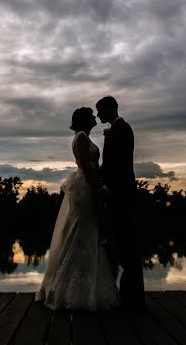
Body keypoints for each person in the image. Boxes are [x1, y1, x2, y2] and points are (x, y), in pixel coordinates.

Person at [35, 107, 119, 310]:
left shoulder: (83, 137)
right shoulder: (81, 138)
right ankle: (67, 290)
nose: (94, 117)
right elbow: (86, 165)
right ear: (84, 120)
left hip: (87, 185)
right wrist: (98, 187)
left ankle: (85, 287)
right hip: (85, 188)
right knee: (78, 231)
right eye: (91, 115)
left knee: (85, 232)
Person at [97, 95, 146, 310]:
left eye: (100, 110)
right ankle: (130, 297)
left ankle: (133, 300)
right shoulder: (117, 130)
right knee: (124, 244)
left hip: (122, 195)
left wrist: (107, 186)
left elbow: (119, 165)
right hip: (119, 194)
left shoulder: (122, 129)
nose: (98, 115)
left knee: (128, 246)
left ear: (109, 109)